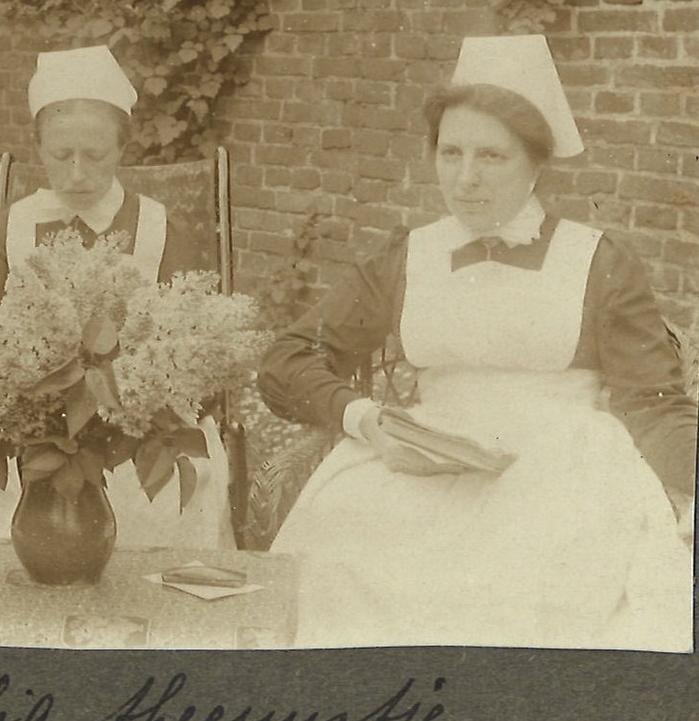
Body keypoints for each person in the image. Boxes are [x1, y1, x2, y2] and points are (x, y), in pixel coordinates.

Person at [258, 34, 695, 651]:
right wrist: (366, 420)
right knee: (340, 574)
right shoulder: (407, 254)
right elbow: (287, 362)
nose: (465, 179)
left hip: (564, 470)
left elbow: (652, 402)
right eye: (451, 152)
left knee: (522, 592)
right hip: (420, 465)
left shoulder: (596, 260)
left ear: (536, 164)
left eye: (491, 157)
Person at [0, 45, 236, 549]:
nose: (76, 174)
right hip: (27, 433)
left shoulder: (163, 230)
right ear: (39, 150)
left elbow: (199, 351)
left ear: (122, 149)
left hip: (137, 433)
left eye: (94, 155)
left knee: (158, 494)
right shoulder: (12, 227)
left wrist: (137, 402)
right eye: (60, 155)